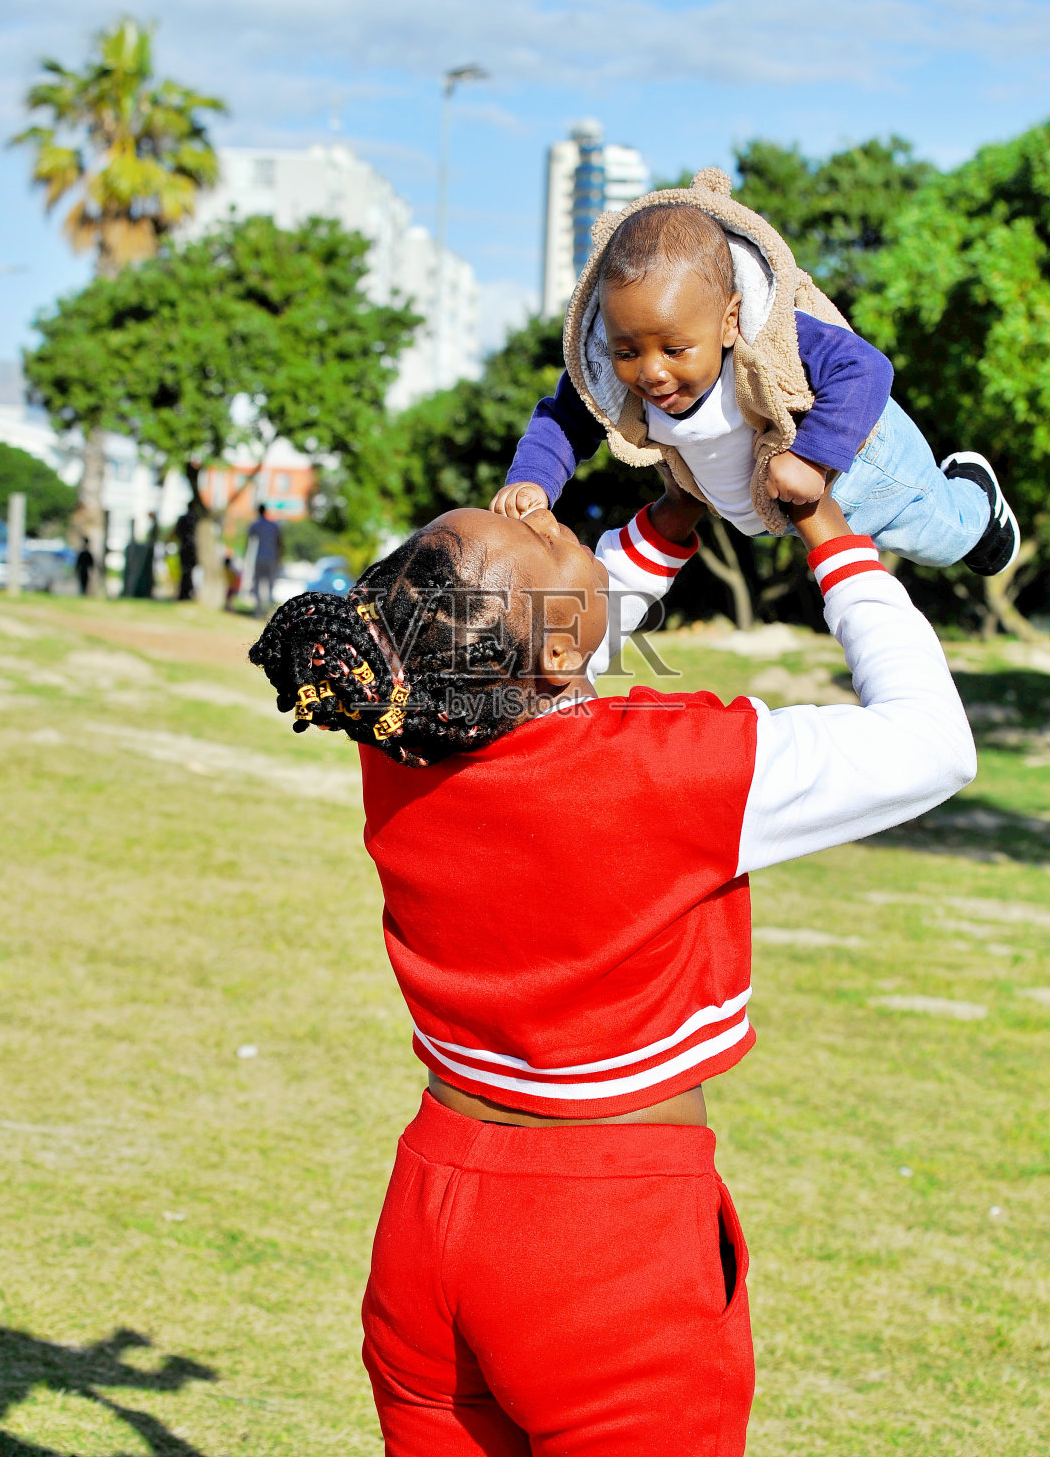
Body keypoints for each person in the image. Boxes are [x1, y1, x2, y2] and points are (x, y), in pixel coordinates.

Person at [249, 480, 975, 1455]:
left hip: (429, 1210)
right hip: (601, 1242)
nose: (533, 511)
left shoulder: (402, 740)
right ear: (548, 650)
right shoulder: (671, 769)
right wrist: (827, 530)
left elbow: (548, 649)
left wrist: (674, 513)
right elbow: (932, 744)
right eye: (536, 540)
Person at [493, 171, 1019, 578]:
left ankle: (977, 495)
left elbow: (865, 367)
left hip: (867, 470)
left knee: (944, 540)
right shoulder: (610, 378)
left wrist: (811, 455)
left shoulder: (774, 337)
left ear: (729, 320)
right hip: (783, 509)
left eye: (675, 350)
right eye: (626, 351)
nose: (651, 372)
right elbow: (563, 419)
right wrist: (531, 480)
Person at [247, 504, 282, 614]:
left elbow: (249, 539)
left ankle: (258, 609)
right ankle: (270, 609)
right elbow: (279, 542)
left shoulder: (256, 525)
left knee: (257, 582)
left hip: (260, 557)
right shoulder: (273, 525)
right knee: (270, 583)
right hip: (271, 558)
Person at [174, 506, 198, 602]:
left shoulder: (182, 519)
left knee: (185, 572)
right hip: (191, 548)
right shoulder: (196, 519)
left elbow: (176, 532)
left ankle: (185, 593)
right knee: (188, 572)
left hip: (184, 547)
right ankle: (187, 592)